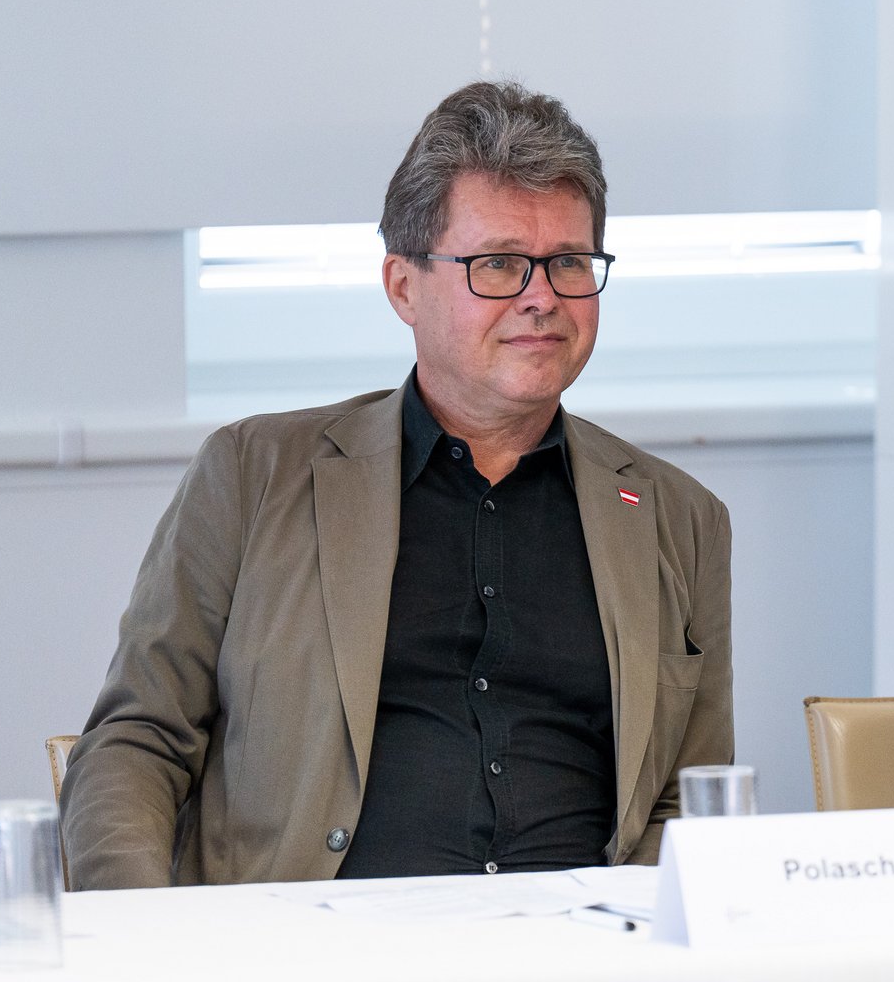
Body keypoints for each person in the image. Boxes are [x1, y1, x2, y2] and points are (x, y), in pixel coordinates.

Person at [62, 82, 733, 888]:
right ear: (403, 286)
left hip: (582, 970)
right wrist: (144, 944)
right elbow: (139, 739)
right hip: (315, 969)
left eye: (570, 264)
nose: (542, 298)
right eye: (499, 264)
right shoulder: (251, 474)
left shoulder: (679, 519)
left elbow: (689, 804)